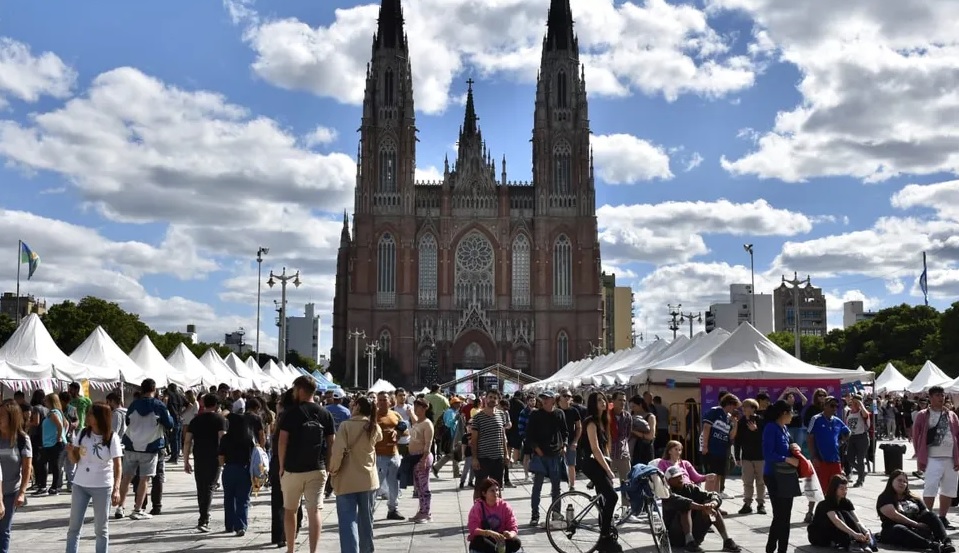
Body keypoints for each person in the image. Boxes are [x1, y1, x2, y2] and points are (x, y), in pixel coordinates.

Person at [278, 376, 336, 553]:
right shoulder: (325, 413)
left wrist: (281, 466)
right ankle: (313, 551)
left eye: (295, 389)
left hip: (292, 469)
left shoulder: (291, 413)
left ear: (301, 389)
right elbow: (332, 443)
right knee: (314, 512)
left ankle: (290, 549)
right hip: (316, 469)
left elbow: (282, 441)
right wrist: (327, 467)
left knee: (290, 510)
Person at [65, 402, 123, 553]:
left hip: (102, 485)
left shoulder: (111, 437)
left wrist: (117, 489)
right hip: (80, 483)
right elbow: (75, 459)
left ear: (99, 417)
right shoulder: (83, 433)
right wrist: (71, 452)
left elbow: (118, 465)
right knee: (74, 527)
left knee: (101, 529)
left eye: (91, 414)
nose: (88, 416)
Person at [329, 396, 382, 553]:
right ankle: (367, 550)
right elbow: (379, 438)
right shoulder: (373, 427)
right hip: (368, 479)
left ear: (358, 407)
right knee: (367, 520)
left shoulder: (346, 426)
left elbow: (338, 452)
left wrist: (333, 469)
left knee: (347, 521)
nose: (351, 407)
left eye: (353, 404)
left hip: (346, 479)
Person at [577, 391, 621, 553]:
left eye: (604, 399)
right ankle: (604, 536)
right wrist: (608, 471)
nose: (603, 402)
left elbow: (605, 448)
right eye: (598, 400)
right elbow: (595, 449)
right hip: (591, 464)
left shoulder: (604, 421)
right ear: (592, 404)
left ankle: (606, 534)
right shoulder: (591, 422)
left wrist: (609, 464)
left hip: (599, 464)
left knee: (604, 500)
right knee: (613, 496)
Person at [911, 385, 959, 529]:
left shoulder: (951, 415)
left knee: (949, 489)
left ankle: (943, 517)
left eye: (942, 395)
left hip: (950, 457)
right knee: (930, 487)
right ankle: (929, 516)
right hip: (932, 457)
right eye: (937, 395)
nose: (941, 397)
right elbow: (916, 435)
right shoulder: (923, 415)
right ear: (930, 397)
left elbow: (957, 435)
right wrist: (919, 455)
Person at [662, 465, 741, 553]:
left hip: (696, 533)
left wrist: (712, 504)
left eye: (681, 476)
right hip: (675, 537)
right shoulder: (666, 494)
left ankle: (727, 540)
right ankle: (689, 542)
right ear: (669, 481)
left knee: (712, 508)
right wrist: (702, 507)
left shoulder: (690, 488)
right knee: (685, 507)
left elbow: (713, 495)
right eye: (676, 477)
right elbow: (684, 502)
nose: (680, 478)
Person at [876, 469, 954, 552]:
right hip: (893, 530)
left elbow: (925, 512)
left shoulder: (913, 497)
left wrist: (928, 523)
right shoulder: (884, 497)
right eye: (899, 480)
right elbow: (895, 516)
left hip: (915, 528)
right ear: (891, 481)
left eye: (905, 482)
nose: (902, 483)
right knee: (899, 528)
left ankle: (946, 542)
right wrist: (916, 524)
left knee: (931, 515)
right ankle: (931, 545)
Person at [762, 400, 802, 553]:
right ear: (784, 413)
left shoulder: (784, 428)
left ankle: (778, 548)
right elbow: (768, 454)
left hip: (787, 476)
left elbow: (789, 447)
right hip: (774, 476)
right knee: (780, 516)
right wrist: (786, 458)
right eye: (791, 412)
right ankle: (774, 548)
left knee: (785, 516)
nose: (793, 416)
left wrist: (794, 447)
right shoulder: (771, 428)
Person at [807, 474, 876, 552]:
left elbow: (856, 520)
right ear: (834, 489)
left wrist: (865, 531)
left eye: (846, 488)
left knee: (846, 514)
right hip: (820, 535)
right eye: (841, 489)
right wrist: (854, 534)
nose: (845, 491)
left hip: (834, 532)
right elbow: (836, 521)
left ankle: (861, 542)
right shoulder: (825, 503)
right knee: (839, 514)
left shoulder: (846, 502)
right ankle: (850, 542)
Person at [0, 401, 29, 553]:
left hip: (11, 492)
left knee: (4, 530)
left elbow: (26, 468)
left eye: (2, 415)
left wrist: (22, 492)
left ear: (11, 417)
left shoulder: (22, 439)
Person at [219, 413, 254, 536]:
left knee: (229, 498)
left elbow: (221, 457)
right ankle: (241, 526)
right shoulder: (248, 438)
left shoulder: (226, 438)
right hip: (245, 469)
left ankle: (230, 525)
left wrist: (224, 465)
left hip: (229, 469)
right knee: (243, 499)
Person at [467, 478, 522, 553]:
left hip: (501, 541)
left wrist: (510, 534)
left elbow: (513, 527)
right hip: (486, 541)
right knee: (477, 541)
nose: (496, 493)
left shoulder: (505, 506)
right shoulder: (477, 507)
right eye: (492, 491)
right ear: (484, 493)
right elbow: (473, 530)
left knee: (516, 542)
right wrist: (488, 533)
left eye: (497, 490)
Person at [701, 394, 740, 498]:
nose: (735, 409)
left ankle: (716, 501)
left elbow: (731, 436)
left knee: (718, 476)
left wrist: (735, 424)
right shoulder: (715, 411)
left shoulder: (728, 418)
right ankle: (708, 500)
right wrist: (705, 446)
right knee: (711, 476)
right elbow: (706, 427)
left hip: (722, 450)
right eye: (734, 406)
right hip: (711, 449)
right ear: (729, 404)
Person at [733, 398, 764, 515]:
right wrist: (737, 456)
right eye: (743, 407)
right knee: (747, 481)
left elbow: (764, 439)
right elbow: (737, 441)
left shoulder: (760, 421)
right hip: (746, 457)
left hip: (760, 456)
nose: (744, 409)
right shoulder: (741, 422)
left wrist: (755, 431)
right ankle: (747, 503)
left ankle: (761, 504)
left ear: (753, 408)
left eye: (746, 407)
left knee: (760, 481)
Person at [408, 398, 435, 523]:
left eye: (418, 407)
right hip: (414, 457)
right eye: (415, 406)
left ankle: (426, 512)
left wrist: (424, 459)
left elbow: (428, 444)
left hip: (422, 457)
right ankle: (421, 510)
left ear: (424, 408)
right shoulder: (418, 422)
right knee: (418, 487)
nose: (415, 409)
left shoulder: (427, 424)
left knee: (424, 486)